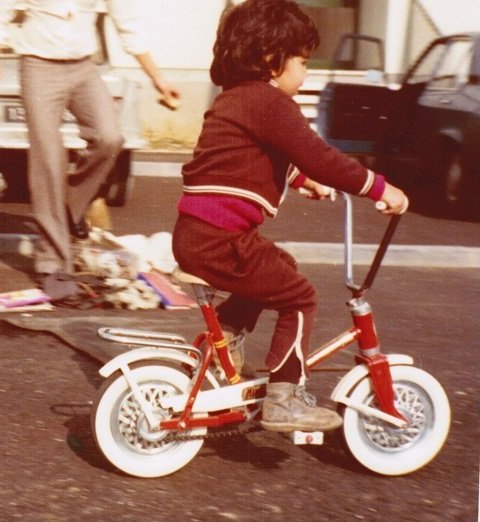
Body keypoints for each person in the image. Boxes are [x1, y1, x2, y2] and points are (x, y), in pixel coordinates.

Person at [172, 0, 408, 433]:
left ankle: (228, 333)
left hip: (200, 233)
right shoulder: (270, 102)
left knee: (280, 268)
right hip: (220, 238)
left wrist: (301, 180)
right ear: (270, 59)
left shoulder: (237, 100)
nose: (305, 72)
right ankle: (284, 395)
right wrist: (379, 186)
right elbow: (318, 155)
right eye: (301, 61)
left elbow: (253, 156)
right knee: (299, 297)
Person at [0, 0, 180, 300]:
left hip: (83, 68)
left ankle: (68, 211)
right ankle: (53, 265)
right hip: (38, 67)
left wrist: (157, 78)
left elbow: (129, 27)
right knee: (49, 159)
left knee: (109, 138)